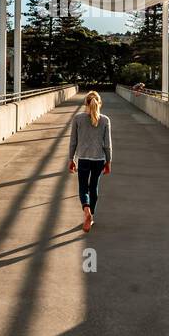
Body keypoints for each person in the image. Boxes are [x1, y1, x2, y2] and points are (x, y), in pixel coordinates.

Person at [68, 90, 112, 232]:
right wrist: (108, 161)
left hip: (83, 158)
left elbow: (73, 142)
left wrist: (71, 159)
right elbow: (107, 144)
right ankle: (91, 215)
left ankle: (86, 210)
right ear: (99, 103)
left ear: (85, 102)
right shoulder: (105, 120)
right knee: (93, 187)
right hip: (99, 159)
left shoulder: (78, 119)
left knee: (83, 187)